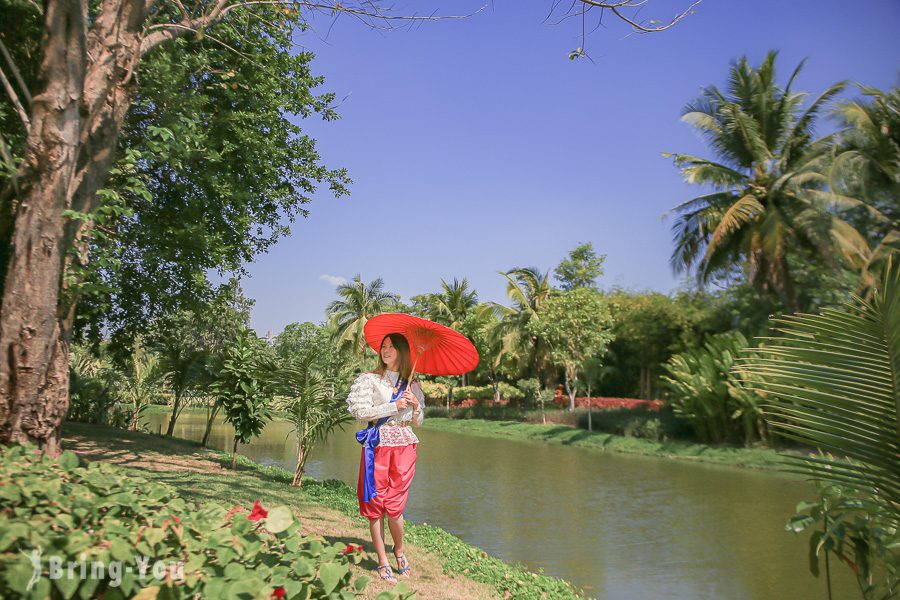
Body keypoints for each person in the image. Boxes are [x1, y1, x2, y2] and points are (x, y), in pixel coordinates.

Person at [346, 332, 424, 583]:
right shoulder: (370, 379)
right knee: (375, 506)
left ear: (402, 351)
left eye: (391, 346)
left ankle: (399, 551)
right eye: (383, 346)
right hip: (377, 445)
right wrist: (393, 406)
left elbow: (418, 423)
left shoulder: (413, 385)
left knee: (395, 507)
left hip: (404, 446)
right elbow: (359, 412)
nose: (386, 350)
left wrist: (415, 406)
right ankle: (382, 561)